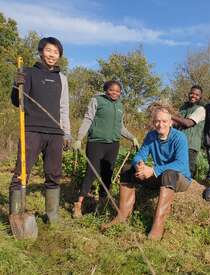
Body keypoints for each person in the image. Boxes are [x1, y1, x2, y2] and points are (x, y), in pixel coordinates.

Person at [101, 104, 191, 240]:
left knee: (169, 173)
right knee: (126, 170)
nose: (160, 124)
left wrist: (154, 170)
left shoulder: (179, 138)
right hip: (160, 176)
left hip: (180, 178)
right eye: (157, 121)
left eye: (164, 121)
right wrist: (139, 165)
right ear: (153, 122)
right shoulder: (151, 136)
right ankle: (122, 215)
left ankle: (157, 225)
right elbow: (140, 155)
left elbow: (181, 164)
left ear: (171, 122)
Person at [10, 37, 71, 223]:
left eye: (56, 52)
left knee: (54, 174)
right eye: (49, 50)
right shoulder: (27, 73)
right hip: (31, 130)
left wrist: (66, 131)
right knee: (22, 172)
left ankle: (52, 216)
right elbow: (16, 101)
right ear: (41, 51)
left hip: (55, 133)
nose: (52, 55)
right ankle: (16, 215)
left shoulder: (62, 78)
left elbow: (63, 107)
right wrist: (16, 85)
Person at [72, 80, 139, 218]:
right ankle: (78, 204)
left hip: (113, 144)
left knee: (107, 175)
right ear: (106, 90)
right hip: (96, 143)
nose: (114, 93)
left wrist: (132, 137)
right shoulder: (97, 100)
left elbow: (120, 127)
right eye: (111, 90)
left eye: (118, 91)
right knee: (92, 172)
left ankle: (101, 205)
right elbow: (88, 119)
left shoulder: (120, 106)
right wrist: (79, 138)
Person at [172, 85, 205, 177]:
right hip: (178, 143)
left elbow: (188, 123)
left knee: (188, 170)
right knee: (176, 167)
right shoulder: (183, 108)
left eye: (196, 95)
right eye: (192, 93)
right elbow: (174, 124)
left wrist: (169, 115)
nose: (193, 96)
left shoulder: (201, 110)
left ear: (200, 97)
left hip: (191, 145)